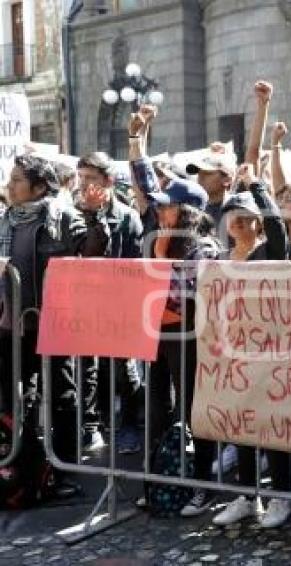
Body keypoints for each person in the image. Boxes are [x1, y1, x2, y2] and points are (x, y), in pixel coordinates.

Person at [128, 105, 222, 516]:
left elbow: (190, 297)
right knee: (157, 408)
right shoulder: (158, 232)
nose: (159, 208)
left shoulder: (203, 249)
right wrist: (137, 139)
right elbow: (144, 183)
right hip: (157, 335)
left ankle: (202, 485)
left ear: (186, 212)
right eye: (161, 205)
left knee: (191, 409)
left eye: (168, 206)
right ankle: (159, 481)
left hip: (187, 336)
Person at [0, 154, 110, 498]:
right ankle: (28, 464)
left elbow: (92, 249)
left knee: (62, 395)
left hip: (54, 321)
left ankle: (63, 469)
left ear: (39, 187)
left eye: (18, 180)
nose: (11, 185)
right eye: (11, 178)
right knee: (18, 397)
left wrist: (94, 216)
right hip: (11, 323)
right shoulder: (6, 219)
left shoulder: (61, 215)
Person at [208, 165, 291, 529]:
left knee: (272, 427)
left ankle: (282, 496)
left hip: (271, 351)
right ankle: (247, 496)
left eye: (247, 219)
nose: (239, 225)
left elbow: (277, 226)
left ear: (258, 222)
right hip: (234, 353)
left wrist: (256, 186)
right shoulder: (222, 259)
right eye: (234, 219)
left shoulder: (270, 251)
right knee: (241, 426)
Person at [75, 151, 145, 455]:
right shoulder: (73, 212)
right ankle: (94, 425)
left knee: (122, 366)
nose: (84, 185)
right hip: (83, 304)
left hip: (117, 304)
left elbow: (133, 261)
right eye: (81, 178)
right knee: (88, 368)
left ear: (108, 181)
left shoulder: (126, 217)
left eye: (91, 179)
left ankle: (128, 425)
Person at [186, 152, 236, 228]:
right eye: (199, 173)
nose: (201, 177)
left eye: (207, 173)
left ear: (226, 180)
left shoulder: (239, 208)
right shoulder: (191, 210)